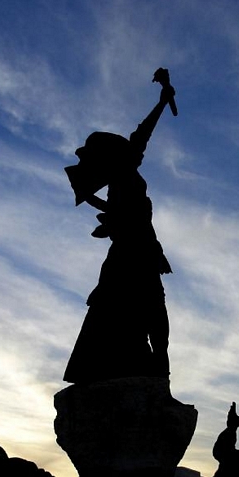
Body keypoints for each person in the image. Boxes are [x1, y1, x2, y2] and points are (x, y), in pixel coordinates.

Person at [63, 80, 176, 384]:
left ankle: (159, 378)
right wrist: (95, 202)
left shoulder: (126, 173)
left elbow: (141, 135)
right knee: (138, 316)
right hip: (130, 255)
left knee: (155, 319)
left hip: (142, 253)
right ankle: (148, 374)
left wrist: (163, 101)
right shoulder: (120, 183)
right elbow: (125, 219)